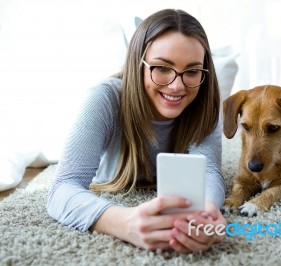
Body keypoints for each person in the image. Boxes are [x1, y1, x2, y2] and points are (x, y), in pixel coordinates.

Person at [46, 9, 226, 253]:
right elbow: (62, 188)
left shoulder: (205, 102)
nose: (177, 85)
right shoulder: (104, 98)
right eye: (162, 68)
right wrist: (125, 223)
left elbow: (210, 171)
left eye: (192, 71)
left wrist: (207, 210)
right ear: (137, 64)